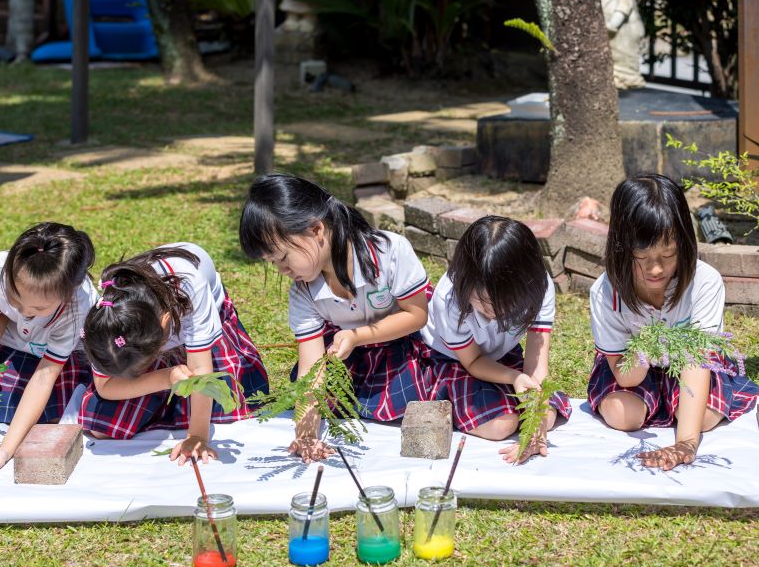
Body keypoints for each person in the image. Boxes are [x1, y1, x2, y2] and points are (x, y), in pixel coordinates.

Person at [240, 173, 432, 463]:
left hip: (398, 341)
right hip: (345, 354)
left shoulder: (388, 252)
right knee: (317, 389)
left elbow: (416, 316)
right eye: (272, 263)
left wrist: (358, 336)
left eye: (282, 258)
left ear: (316, 230)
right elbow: (311, 368)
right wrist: (306, 435)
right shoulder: (303, 291)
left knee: (407, 393)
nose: (282, 270)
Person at [588, 174, 759, 470]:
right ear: (620, 248)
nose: (656, 269)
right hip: (630, 368)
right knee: (621, 416)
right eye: (642, 256)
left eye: (668, 255)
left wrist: (686, 443)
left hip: (690, 366)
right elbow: (626, 377)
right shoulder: (606, 292)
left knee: (700, 419)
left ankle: (672, 406)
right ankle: (665, 403)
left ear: (685, 244)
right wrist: (643, 347)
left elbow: (697, 361)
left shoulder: (704, 282)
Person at [79, 243, 268, 465]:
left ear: (164, 324)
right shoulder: (108, 322)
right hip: (151, 348)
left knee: (227, 413)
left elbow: (201, 373)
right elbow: (105, 386)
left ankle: (164, 410)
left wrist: (197, 436)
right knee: (102, 427)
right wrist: (166, 378)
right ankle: (165, 405)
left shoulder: (189, 284)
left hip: (202, 349)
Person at [423, 215, 571, 464]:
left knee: (544, 413)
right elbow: (473, 362)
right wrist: (514, 377)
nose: (497, 312)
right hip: (454, 358)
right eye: (484, 302)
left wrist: (535, 421)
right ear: (465, 281)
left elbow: (537, 363)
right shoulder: (448, 299)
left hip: (500, 355)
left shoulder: (538, 287)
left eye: (507, 303)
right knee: (501, 425)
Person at [0, 222, 96, 477]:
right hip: (12, 348)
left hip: (56, 363)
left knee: (52, 415)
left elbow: (45, 376)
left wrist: (5, 449)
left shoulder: (79, 304)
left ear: (68, 295)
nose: (23, 313)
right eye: (14, 298)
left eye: (39, 310)